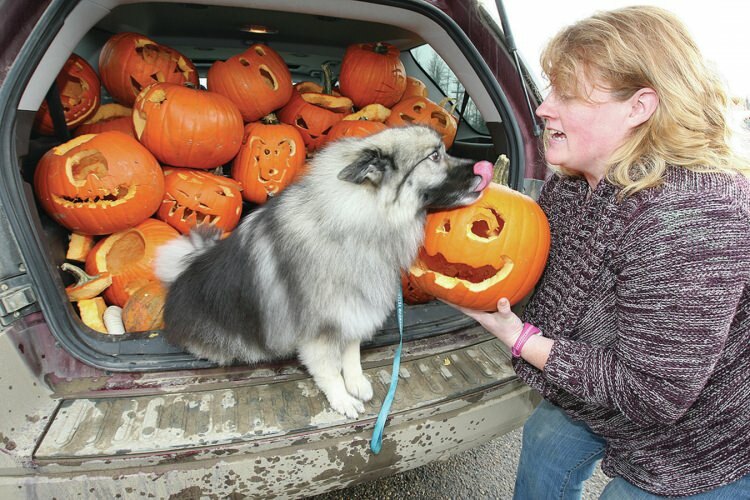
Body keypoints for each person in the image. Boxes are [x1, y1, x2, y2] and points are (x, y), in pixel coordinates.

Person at [454, 6, 750, 499]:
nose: (544, 108)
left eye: (567, 95)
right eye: (549, 90)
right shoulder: (573, 187)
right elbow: (544, 281)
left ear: (639, 107)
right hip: (603, 390)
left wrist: (518, 337)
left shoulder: (693, 215)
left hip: (703, 437)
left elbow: (651, 393)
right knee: (546, 440)